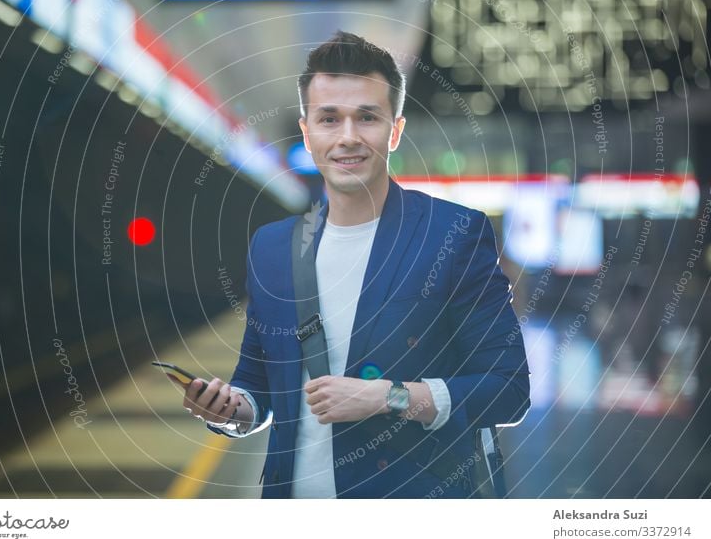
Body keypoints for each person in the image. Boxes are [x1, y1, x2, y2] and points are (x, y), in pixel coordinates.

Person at [181, 30, 531, 498]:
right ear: (307, 134)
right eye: (329, 119)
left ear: (394, 129)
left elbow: (509, 389)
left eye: (367, 117)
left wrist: (391, 398)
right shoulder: (272, 247)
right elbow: (259, 388)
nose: (348, 137)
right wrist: (231, 411)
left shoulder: (453, 234)